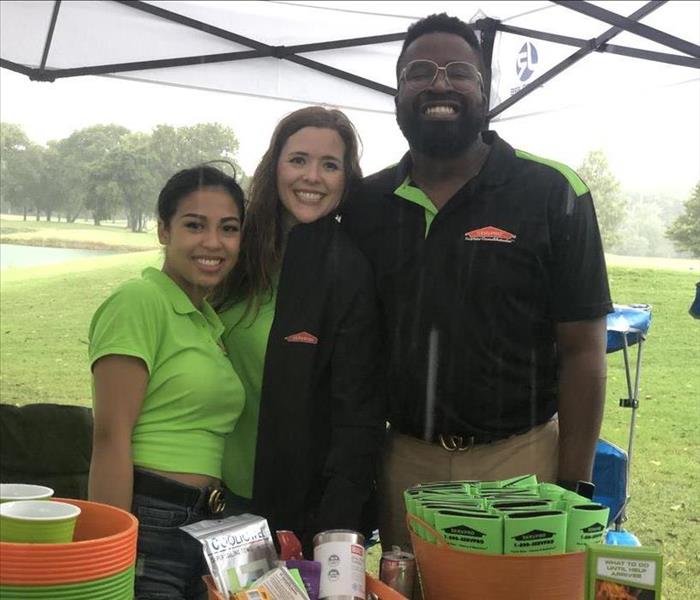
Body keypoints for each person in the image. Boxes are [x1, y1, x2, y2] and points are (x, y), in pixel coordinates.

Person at [342, 13, 613, 552]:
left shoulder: (553, 193)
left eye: (459, 73)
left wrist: (573, 484)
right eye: (419, 71)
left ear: (484, 93)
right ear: (397, 93)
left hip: (520, 458)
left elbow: (584, 352)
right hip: (403, 458)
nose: (439, 84)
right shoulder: (365, 205)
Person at [212, 106, 384, 554]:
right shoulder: (232, 249)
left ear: (347, 178)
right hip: (199, 490)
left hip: (284, 510)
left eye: (330, 165)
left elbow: (358, 414)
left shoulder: (349, 271)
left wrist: (334, 524)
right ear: (275, 166)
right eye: (299, 160)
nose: (312, 176)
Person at [88, 164, 246, 599]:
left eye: (228, 228)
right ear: (163, 230)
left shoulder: (207, 322)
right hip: (150, 523)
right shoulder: (139, 302)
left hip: (209, 528)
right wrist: (110, 556)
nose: (213, 243)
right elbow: (109, 437)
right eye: (195, 225)